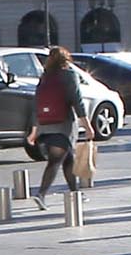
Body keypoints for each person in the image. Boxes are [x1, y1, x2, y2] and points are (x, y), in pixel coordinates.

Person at [26, 48, 86, 206]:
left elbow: (36, 104)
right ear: (66, 60)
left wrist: (34, 130)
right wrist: (87, 126)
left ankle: (75, 193)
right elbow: (77, 101)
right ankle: (41, 194)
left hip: (45, 126)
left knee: (68, 159)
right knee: (55, 161)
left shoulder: (45, 77)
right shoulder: (69, 76)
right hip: (62, 126)